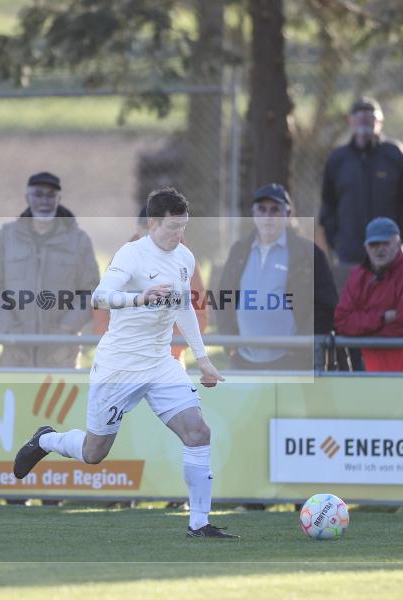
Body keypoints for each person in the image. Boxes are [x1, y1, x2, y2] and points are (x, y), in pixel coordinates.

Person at [12, 188, 237, 539]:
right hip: (119, 367)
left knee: (199, 433)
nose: (180, 235)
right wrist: (140, 298)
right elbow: (100, 297)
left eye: (184, 227)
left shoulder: (185, 258)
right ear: (152, 223)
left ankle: (200, 524)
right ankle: (46, 440)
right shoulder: (132, 255)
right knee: (93, 452)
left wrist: (203, 360)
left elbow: (184, 307)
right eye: (173, 228)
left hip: (161, 365)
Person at [0, 171, 100, 368]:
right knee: (18, 399)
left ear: (58, 199)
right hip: (16, 351)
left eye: (50, 195)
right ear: (27, 198)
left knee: (59, 400)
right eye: (38, 194)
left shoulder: (78, 240)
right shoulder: (6, 237)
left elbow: (91, 290)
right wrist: (10, 329)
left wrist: (66, 328)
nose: (44, 201)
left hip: (61, 352)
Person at [217, 183, 323, 371]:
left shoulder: (307, 253)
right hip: (243, 360)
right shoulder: (239, 250)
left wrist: (300, 347)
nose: (268, 217)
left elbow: (323, 305)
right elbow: (224, 297)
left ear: (287, 215)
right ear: (254, 214)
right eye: (262, 209)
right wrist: (229, 343)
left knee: (291, 403)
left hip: (291, 362)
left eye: (275, 210)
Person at [93, 206, 208, 365]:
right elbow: (102, 308)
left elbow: (198, 313)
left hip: (167, 360)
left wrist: (164, 349)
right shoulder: (123, 258)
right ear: (138, 230)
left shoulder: (186, 262)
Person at [320, 96, 403, 265]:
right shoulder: (338, 159)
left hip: (390, 253)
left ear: (380, 121)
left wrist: (400, 238)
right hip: (350, 254)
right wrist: (337, 242)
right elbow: (327, 205)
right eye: (360, 118)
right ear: (351, 121)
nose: (365, 123)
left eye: (371, 118)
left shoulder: (395, 154)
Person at [334, 217, 403, 372]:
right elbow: (342, 322)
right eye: (374, 244)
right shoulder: (358, 277)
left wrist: (362, 330)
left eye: (385, 243)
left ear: (398, 244)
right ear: (366, 247)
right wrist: (382, 317)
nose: (379, 249)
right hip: (375, 371)